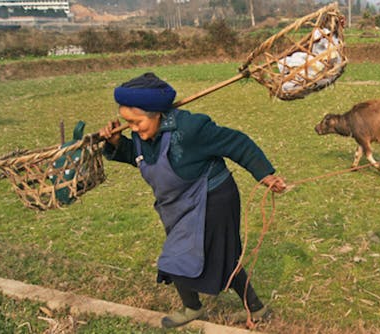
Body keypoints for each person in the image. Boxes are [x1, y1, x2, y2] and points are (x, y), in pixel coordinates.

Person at [99, 72, 287, 328]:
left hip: (214, 198)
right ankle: (254, 308)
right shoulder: (141, 134)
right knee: (209, 256)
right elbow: (141, 157)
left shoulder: (191, 129)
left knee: (190, 255)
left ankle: (194, 307)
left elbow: (236, 143)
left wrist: (266, 175)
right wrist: (117, 143)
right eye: (127, 123)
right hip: (178, 204)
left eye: (137, 122)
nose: (133, 128)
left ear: (156, 113)